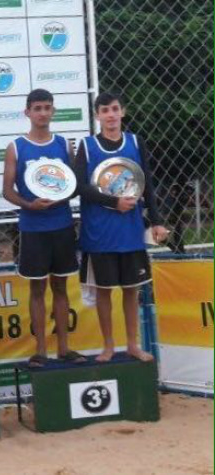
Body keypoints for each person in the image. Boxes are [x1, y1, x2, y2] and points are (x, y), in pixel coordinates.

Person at [74, 92, 169, 362]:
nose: (111, 115)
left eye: (115, 109)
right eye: (105, 110)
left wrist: (158, 220)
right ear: (97, 115)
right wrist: (113, 201)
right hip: (100, 232)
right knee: (104, 290)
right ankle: (108, 346)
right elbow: (79, 187)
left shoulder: (135, 142)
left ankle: (132, 344)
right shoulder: (87, 146)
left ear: (123, 112)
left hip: (130, 230)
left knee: (131, 288)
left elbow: (147, 183)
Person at [3, 89, 85, 367]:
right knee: (37, 291)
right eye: (37, 108)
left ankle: (64, 347)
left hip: (61, 225)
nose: (42, 113)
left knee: (61, 288)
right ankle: (40, 350)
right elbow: (6, 191)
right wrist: (29, 204)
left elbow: (72, 186)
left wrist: (62, 197)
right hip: (32, 227)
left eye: (47, 108)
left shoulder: (64, 144)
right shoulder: (16, 146)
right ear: (27, 112)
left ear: (53, 111)